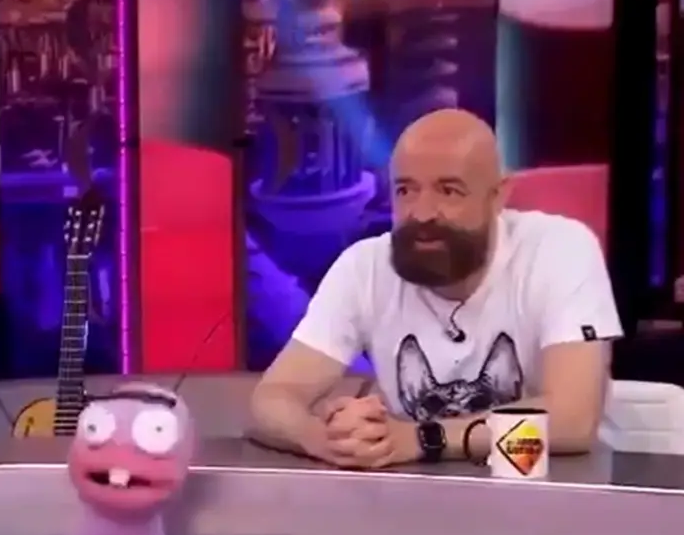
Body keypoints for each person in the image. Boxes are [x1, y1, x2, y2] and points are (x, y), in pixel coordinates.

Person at [248, 109, 621, 469]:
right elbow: (272, 400)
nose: (422, 212)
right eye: (405, 190)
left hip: (550, 490)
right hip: (412, 495)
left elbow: (573, 422)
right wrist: (324, 440)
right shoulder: (364, 268)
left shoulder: (559, 250)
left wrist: (423, 439)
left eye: (449, 191)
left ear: (498, 196)